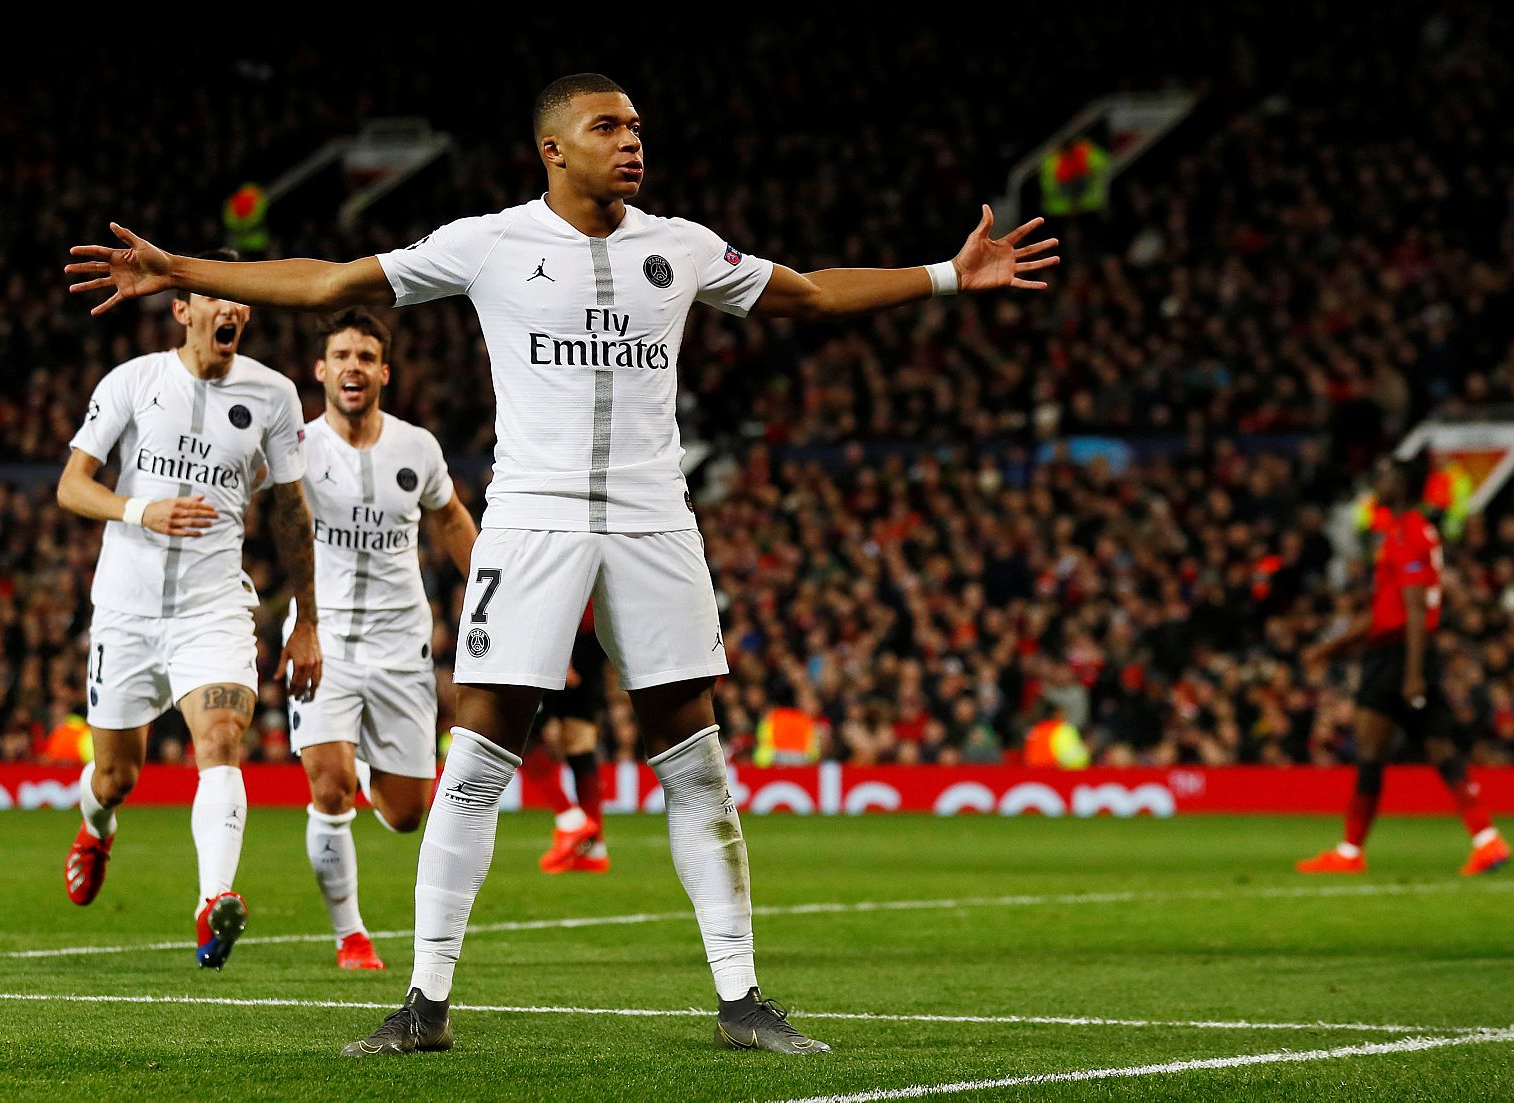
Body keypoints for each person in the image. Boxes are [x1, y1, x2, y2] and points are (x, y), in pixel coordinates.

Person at [65, 72, 1057, 1053]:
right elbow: (328, 279)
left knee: (695, 755)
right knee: (480, 753)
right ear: (554, 148)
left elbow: (803, 294)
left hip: (655, 521)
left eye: (635, 125)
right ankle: (424, 1002)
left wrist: (945, 273)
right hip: (532, 522)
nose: (631, 140)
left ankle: (742, 998)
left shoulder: (682, 245)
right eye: (606, 125)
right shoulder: (489, 241)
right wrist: (181, 268)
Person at [58, 248, 321, 969]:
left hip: (213, 607)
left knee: (223, 736)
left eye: (239, 300)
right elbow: (72, 486)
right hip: (125, 606)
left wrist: (308, 620)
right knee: (117, 774)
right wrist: (142, 509)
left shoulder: (273, 394)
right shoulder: (134, 381)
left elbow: (292, 514)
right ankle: (96, 825)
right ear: (183, 308)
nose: (232, 309)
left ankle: (214, 903)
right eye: (214, 297)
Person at [291, 308, 478, 969]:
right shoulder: (296, 447)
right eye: (341, 355)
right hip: (325, 638)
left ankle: (367, 759)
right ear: (321, 370)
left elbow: (451, 520)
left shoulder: (417, 447)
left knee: (404, 814)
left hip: (402, 644)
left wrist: (493, 595)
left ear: (383, 372)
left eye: (365, 357)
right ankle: (352, 936)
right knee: (330, 784)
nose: (352, 366)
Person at [1298, 454, 1509, 876]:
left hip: (1398, 656)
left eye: (1387, 475)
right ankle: (1487, 839)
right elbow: (1386, 610)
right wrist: (1332, 648)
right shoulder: (1403, 531)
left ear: (1404, 486)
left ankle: (1350, 851)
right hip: (1405, 650)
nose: (1379, 480)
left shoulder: (1407, 532)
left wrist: (1411, 673)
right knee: (1438, 748)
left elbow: (1414, 610)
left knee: (1372, 751)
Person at [522, 606, 610, 874]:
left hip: (558, 644)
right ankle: (594, 849)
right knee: (579, 747)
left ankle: (573, 822)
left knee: (522, 737)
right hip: (586, 640)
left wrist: (564, 656)